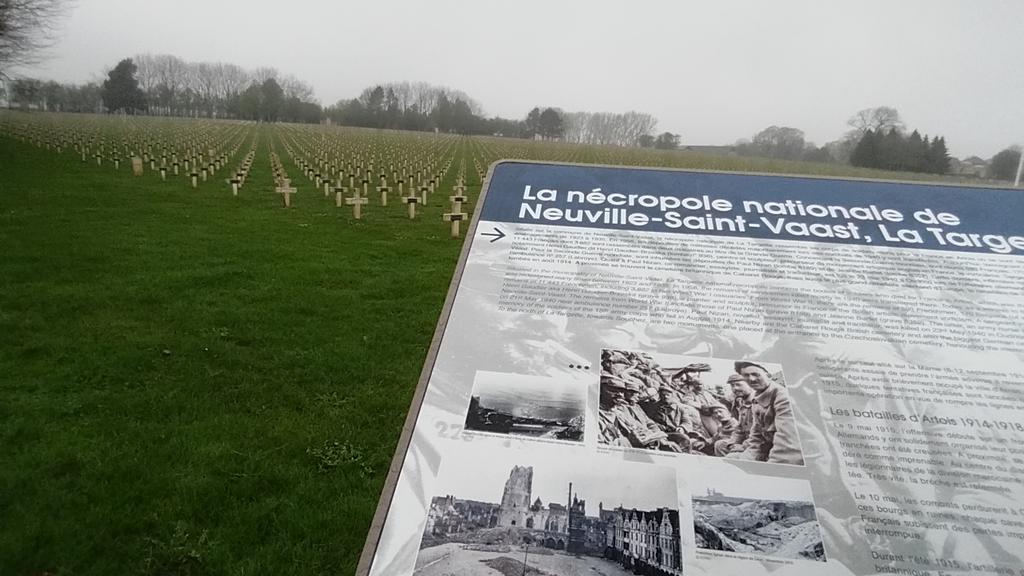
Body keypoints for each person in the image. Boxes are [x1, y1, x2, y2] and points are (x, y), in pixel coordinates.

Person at [727, 361, 804, 465]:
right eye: (746, 375)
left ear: (767, 375)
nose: (751, 379)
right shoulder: (757, 399)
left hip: (792, 455)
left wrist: (769, 467)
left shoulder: (782, 397)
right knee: (732, 459)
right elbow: (756, 437)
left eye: (755, 374)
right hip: (769, 449)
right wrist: (745, 459)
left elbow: (788, 444)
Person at [599, 375, 684, 452]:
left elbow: (644, 425)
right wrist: (629, 442)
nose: (619, 395)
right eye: (613, 390)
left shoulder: (620, 412)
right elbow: (600, 448)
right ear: (600, 390)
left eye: (621, 391)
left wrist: (660, 440)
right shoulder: (596, 415)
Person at [672, 363, 736, 452]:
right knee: (715, 432)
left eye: (701, 384)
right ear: (694, 385)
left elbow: (715, 402)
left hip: (714, 413)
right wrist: (701, 406)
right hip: (705, 416)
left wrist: (716, 407)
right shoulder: (691, 394)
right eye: (697, 385)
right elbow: (686, 401)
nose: (699, 386)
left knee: (725, 428)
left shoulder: (707, 393)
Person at [714, 374, 754, 456]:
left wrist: (744, 446)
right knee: (720, 445)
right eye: (732, 386)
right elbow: (739, 429)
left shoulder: (759, 403)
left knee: (731, 456)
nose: (735, 388)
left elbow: (763, 434)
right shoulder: (742, 403)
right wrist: (732, 443)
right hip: (748, 441)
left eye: (739, 384)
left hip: (760, 446)